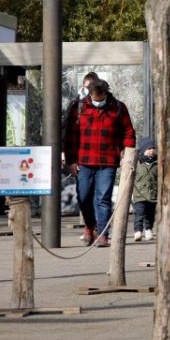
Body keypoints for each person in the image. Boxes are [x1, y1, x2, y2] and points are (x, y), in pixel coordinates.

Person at [64, 78, 136, 247]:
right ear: (90, 94)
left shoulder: (118, 107)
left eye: (101, 99)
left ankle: (103, 233)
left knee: (103, 198)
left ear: (106, 93)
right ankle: (90, 226)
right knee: (83, 197)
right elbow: (70, 136)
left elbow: (128, 132)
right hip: (84, 161)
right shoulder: (79, 107)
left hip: (108, 161)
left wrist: (128, 152)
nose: (98, 102)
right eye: (95, 99)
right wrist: (71, 161)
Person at [131, 136, 158, 242]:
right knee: (139, 213)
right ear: (142, 150)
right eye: (148, 149)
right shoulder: (137, 164)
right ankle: (138, 231)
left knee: (150, 214)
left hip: (152, 195)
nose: (151, 151)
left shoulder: (157, 164)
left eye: (153, 148)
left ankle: (148, 230)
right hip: (139, 195)